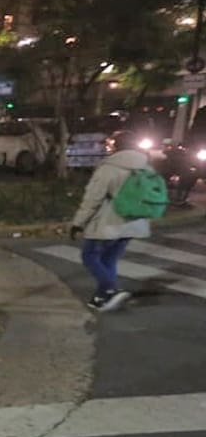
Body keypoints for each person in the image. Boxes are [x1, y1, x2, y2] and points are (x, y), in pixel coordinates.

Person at [70, 129, 150, 311]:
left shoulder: (110, 167)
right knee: (110, 258)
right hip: (134, 222)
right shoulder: (146, 166)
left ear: (117, 146)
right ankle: (101, 297)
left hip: (109, 222)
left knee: (89, 256)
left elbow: (93, 198)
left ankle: (111, 289)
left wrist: (78, 222)